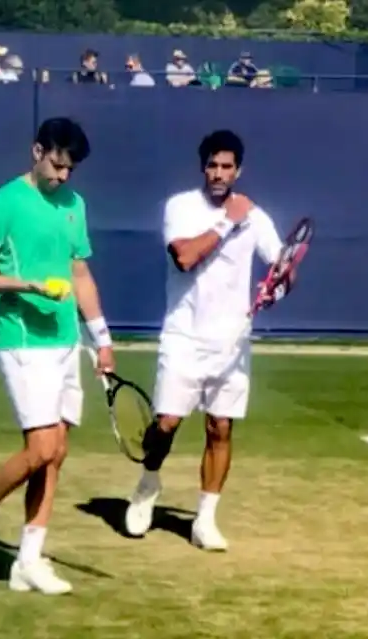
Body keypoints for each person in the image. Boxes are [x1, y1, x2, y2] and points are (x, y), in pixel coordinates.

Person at [0, 117, 117, 594]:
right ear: (37, 151)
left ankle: (28, 560)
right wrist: (25, 285)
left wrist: (101, 339)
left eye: (70, 170)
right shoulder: (2, 203)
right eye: (57, 165)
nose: (63, 177)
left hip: (66, 342)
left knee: (55, 454)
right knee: (40, 448)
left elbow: (80, 273)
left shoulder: (74, 205)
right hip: (21, 339)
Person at [124, 130, 285, 551]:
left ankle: (205, 521)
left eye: (226, 166)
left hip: (231, 344)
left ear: (238, 170)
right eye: (212, 165)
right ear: (203, 167)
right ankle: (148, 482)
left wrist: (278, 288)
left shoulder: (257, 216)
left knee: (220, 428)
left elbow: (283, 266)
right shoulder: (182, 207)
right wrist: (228, 221)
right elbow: (185, 257)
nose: (218, 173)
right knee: (166, 426)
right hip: (183, 338)